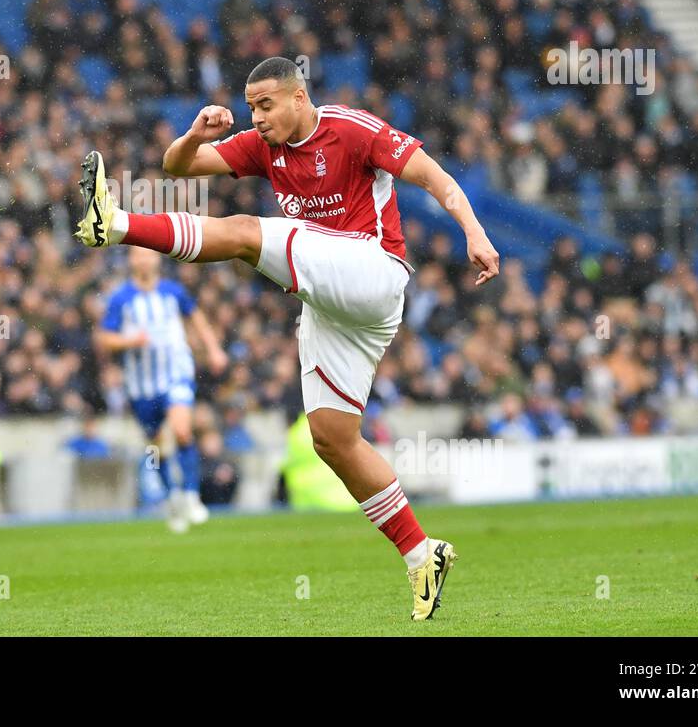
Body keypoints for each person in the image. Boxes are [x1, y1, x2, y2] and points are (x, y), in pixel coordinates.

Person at [74, 56, 501, 620]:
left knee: (248, 234)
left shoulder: (352, 130)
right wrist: (192, 135)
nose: (258, 116)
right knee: (331, 438)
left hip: (374, 273)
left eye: (267, 104)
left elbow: (434, 177)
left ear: (300, 98)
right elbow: (177, 168)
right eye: (252, 106)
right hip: (330, 301)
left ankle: (117, 224)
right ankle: (423, 553)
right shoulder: (261, 144)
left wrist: (473, 230)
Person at [94, 246, 228, 532]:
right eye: (138, 255)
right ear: (131, 261)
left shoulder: (172, 291)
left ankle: (191, 495)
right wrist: (130, 341)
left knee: (181, 430)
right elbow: (105, 338)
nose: (144, 259)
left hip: (176, 373)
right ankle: (173, 499)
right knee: (158, 448)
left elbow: (197, 318)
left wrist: (214, 349)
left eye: (148, 254)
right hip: (142, 385)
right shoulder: (121, 298)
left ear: (157, 259)